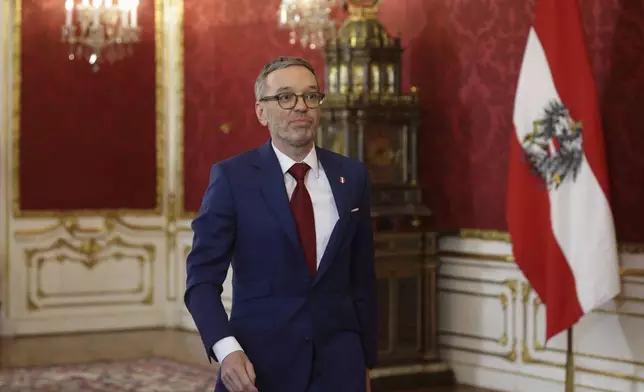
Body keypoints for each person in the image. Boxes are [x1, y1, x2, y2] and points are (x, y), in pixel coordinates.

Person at [184, 56, 377, 392]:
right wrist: (227, 351)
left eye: (310, 96)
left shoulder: (353, 176)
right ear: (262, 112)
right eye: (285, 97)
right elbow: (201, 281)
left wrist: (366, 363)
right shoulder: (232, 178)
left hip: (340, 368)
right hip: (258, 369)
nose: (300, 106)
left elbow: (362, 280)